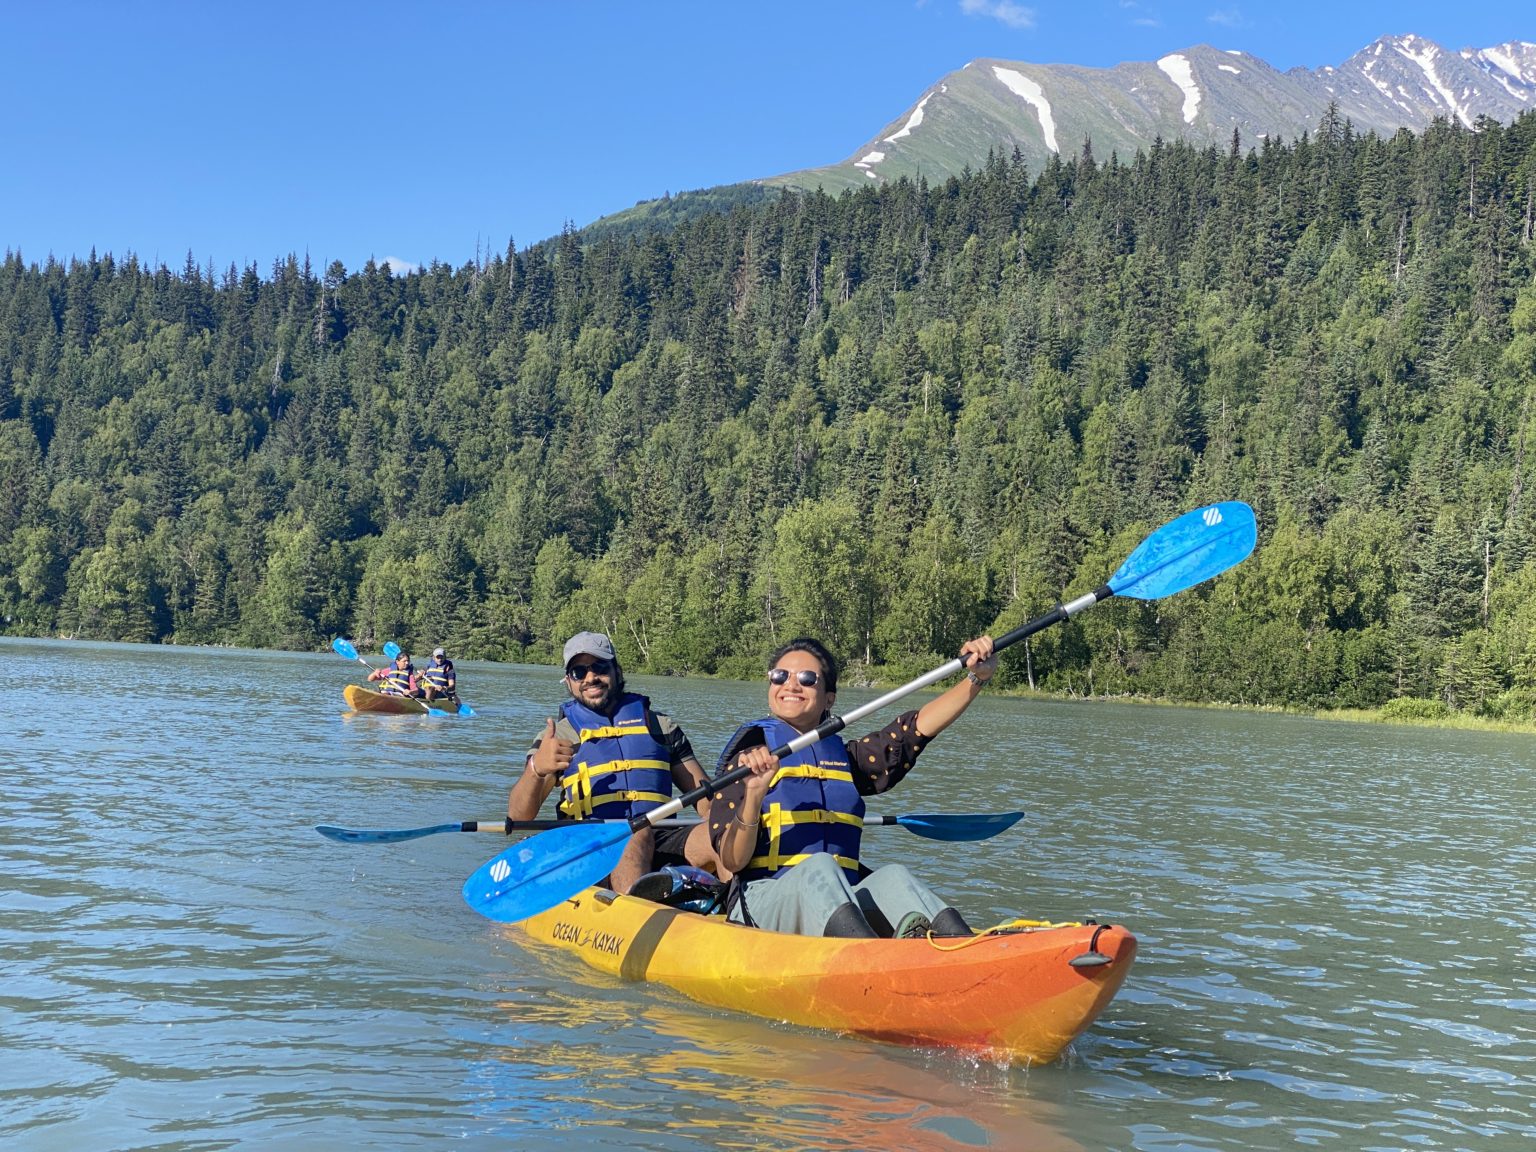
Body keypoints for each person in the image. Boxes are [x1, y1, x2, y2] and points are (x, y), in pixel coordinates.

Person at [709, 634, 997, 939]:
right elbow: (732, 861)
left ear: (829, 698)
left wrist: (976, 679)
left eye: (807, 679)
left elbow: (913, 731)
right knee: (819, 866)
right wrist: (754, 794)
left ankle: (962, 947)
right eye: (780, 676)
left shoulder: (846, 761)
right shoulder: (746, 760)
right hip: (760, 904)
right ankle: (869, 957)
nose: (791, 685)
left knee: (894, 876)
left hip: (837, 900)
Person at [508, 631, 718, 894]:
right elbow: (518, 816)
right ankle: (633, 917)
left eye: (599, 667)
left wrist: (733, 818)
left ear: (616, 670)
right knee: (632, 833)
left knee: (721, 833)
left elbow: (708, 803)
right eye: (579, 672)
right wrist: (537, 770)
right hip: (590, 847)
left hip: (662, 838)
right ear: (568, 681)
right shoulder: (557, 738)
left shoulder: (660, 726)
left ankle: (741, 915)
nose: (590, 678)